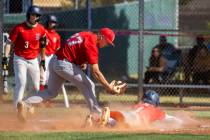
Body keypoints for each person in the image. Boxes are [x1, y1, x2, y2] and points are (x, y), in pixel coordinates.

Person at [18, 27, 127, 122]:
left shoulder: (86, 34)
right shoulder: (92, 45)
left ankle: (26, 103)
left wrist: (81, 62)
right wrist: (108, 87)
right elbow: (96, 72)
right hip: (64, 64)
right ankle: (97, 115)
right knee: (89, 85)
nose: (106, 45)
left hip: (55, 60)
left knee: (51, 92)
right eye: (107, 42)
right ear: (101, 36)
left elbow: (75, 48)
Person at [2, 5, 46, 120]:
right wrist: (5, 57)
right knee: (21, 83)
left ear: (38, 17)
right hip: (20, 59)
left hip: (33, 60)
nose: (34, 17)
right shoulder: (19, 28)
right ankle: (17, 112)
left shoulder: (41, 29)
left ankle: (25, 105)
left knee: (36, 87)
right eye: (32, 14)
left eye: (36, 15)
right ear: (28, 15)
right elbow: (8, 44)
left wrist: (43, 63)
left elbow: (42, 47)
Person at [85, 90, 182, 128]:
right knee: (124, 123)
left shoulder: (138, 105)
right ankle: (105, 120)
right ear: (155, 102)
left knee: (115, 121)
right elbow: (175, 120)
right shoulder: (156, 111)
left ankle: (95, 121)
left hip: (128, 114)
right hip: (136, 119)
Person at [40, 15, 61, 91]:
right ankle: (40, 94)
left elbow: (58, 48)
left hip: (52, 57)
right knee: (42, 76)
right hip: (43, 56)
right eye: (50, 22)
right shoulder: (44, 32)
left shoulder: (57, 36)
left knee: (49, 76)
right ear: (47, 23)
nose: (51, 24)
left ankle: (47, 96)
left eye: (53, 22)